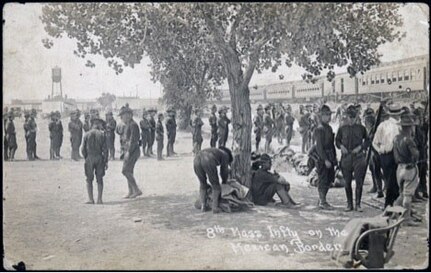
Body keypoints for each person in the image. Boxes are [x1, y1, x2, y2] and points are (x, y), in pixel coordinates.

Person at [335, 105, 370, 212]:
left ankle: (358, 204)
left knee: (359, 182)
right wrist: (341, 146)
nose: (351, 119)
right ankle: (349, 204)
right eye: (349, 117)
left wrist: (361, 147)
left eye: (353, 117)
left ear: (356, 117)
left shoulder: (361, 128)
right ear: (346, 117)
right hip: (346, 158)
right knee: (347, 182)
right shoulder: (342, 128)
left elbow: (368, 141)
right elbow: (337, 141)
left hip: (358, 158)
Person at [372, 103, 403, 208]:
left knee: (394, 180)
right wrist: (381, 150)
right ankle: (389, 204)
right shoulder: (386, 125)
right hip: (389, 155)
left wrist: (380, 150)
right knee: (392, 180)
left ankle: (394, 203)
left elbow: (374, 142)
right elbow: (375, 142)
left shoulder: (400, 125)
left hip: (391, 155)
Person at [393, 112, 421, 226]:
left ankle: (395, 211)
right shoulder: (408, 139)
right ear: (409, 127)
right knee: (408, 195)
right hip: (409, 168)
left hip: (399, 168)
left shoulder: (396, 138)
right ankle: (406, 218)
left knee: (402, 193)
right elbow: (416, 154)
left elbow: (394, 155)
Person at [193, 147, 233, 213]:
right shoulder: (225, 155)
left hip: (196, 159)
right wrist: (224, 181)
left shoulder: (215, 151)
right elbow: (224, 171)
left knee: (203, 184)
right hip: (207, 159)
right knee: (216, 186)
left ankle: (203, 205)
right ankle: (215, 207)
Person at [313, 105, 337, 209]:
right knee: (323, 179)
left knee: (329, 179)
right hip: (322, 158)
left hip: (330, 156)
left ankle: (322, 199)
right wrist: (325, 160)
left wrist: (334, 158)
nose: (329, 117)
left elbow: (332, 144)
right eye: (326, 115)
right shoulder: (319, 129)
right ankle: (322, 202)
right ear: (321, 116)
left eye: (329, 114)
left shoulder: (329, 128)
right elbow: (319, 147)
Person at [81, 118, 109, 204]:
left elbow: (83, 149)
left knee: (89, 179)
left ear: (92, 124)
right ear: (98, 124)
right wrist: (106, 161)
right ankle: (99, 199)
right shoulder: (102, 135)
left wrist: (86, 157)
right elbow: (105, 150)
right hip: (99, 157)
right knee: (99, 179)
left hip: (89, 157)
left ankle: (91, 199)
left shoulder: (86, 134)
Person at [119, 105, 143, 198]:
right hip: (128, 150)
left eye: (123, 115)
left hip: (132, 151)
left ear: (129, 115)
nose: (121, 118)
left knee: (125, 171)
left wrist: (128, 152)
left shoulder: (133, 125)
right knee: (129, 171)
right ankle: (131, 191)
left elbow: (133, 140)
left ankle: (136, 190)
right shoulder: (128, 124)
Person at [363, 108, 384, 198]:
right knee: (373, 169)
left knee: (378, 170)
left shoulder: (377, 128)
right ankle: (376, 186)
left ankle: (380, 189)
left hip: (378, 152)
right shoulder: (371, 129)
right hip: (372, 152)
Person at [413, 104, 428, 200]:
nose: (421, 119)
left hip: (423, 153)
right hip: (418, 154)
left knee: (423, 173)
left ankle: (424, 190)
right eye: (419, 117)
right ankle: (416, 193)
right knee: (416, 175)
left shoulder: (422, 127)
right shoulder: (414, 129)